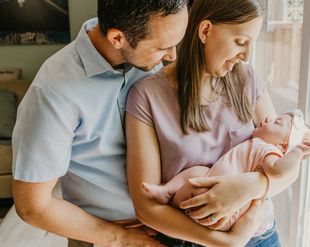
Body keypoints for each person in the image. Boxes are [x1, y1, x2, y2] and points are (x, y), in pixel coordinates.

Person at [125, 0, 310, 246]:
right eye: (240, 42)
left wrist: (250, 186)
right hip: (193, 240)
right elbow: (146, 206)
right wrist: (225, 242)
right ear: (205, 31)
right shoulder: (147, 96)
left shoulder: (247, 79)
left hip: (260, 236)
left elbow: (287, 158)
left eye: (251, 45)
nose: (246, 56)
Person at [12, 1, 190, 246]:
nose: (173, 56)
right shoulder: (52, 93)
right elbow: (33, 206)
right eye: (163, 48)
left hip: (175, 226)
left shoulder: (149, 60)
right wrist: (123, 238)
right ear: (118, 38)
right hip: (109, 235)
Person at [142, 110, 310, 232]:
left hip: (227, 211)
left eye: (277, 122)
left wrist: (298, 152)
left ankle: (168, 213)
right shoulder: (258, 144)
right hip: (213, 182)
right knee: (197, 172)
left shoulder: (269, 151)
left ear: (282, 146)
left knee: (195, 188)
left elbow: (278, 170)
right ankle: (166, 191)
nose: (269, 118)